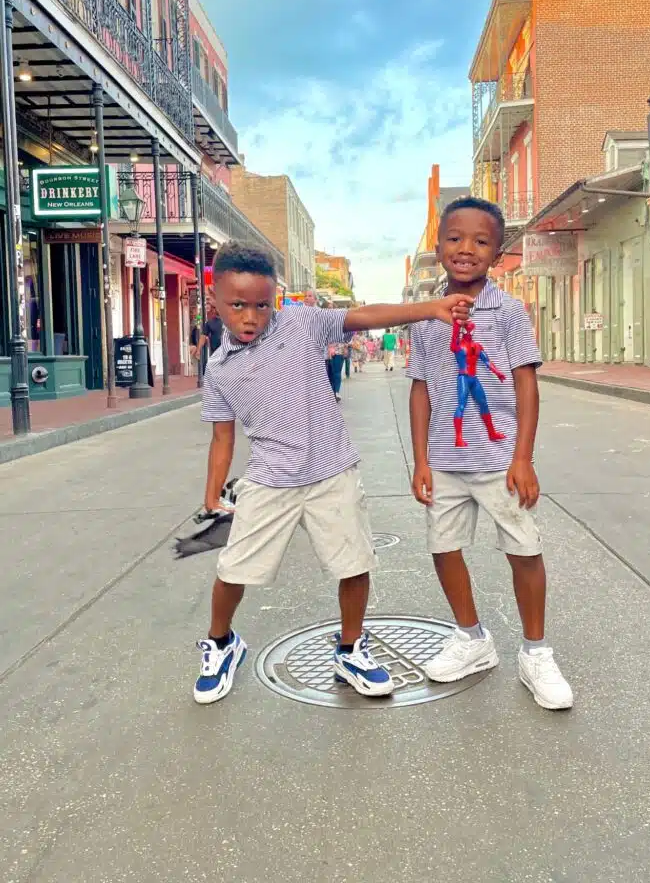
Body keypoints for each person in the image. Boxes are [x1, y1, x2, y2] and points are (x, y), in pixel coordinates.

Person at [193, 242, 472, 705]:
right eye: (237, 305)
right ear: (215, 300)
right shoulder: (219, 369)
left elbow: (364, 316)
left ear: (275, 300)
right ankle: (221, 644)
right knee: (233, 570)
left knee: (354, 564)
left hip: (331, 472)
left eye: (262, 305)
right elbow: (223, 438)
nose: (250, 317)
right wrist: (211, 495)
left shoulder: (300, 323)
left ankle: (350, 648)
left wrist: (430, 308)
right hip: (269, 478)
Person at [407, 197, 573, 711]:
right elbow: (420, 390)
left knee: (524, 550)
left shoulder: (508, 311)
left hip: (500, 459)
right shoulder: (424, 316)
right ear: (439, 248)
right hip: (446, 461)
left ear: (497, 254)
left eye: (481, 242)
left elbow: (526, 384)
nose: (466, 249)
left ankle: (535, 652)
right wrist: (421, 459)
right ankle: (472, 639)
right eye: (455, 238)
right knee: (443, 546)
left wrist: (523, 457)